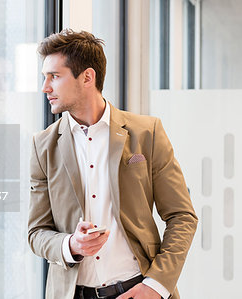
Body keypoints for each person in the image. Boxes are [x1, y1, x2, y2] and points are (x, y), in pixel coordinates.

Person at [28, 29, 198, 299]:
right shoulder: (43, 145)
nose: (45, 87)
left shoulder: (147, 133)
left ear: (87, 76)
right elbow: (36, 233)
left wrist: (156, 285)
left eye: (55, 76)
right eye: (44, 77)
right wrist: (71, 243)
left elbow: (182, 216)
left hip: (139, 290)